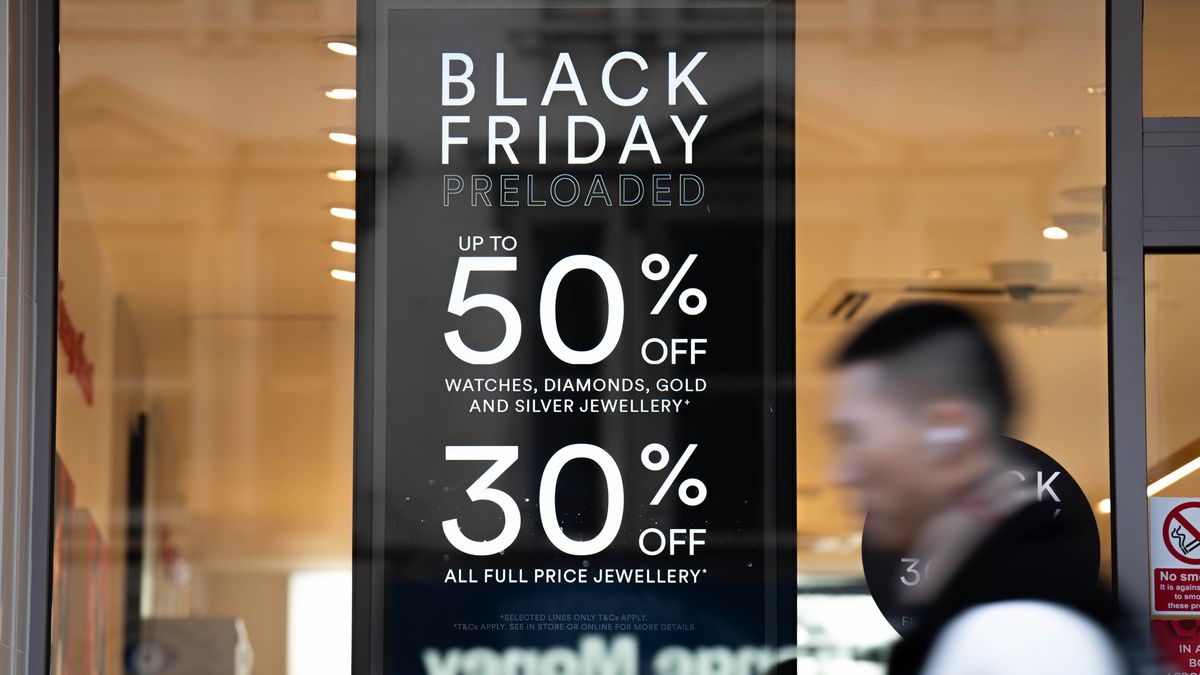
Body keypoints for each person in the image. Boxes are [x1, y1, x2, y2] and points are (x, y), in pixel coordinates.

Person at [826, 302, 1153, 675]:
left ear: (948, 433)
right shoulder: (1013, 605)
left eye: (854, 436)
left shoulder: (1019, 635)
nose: (841, 472)